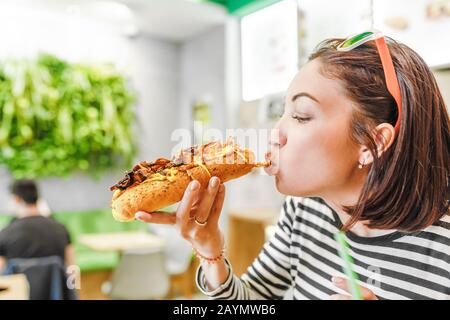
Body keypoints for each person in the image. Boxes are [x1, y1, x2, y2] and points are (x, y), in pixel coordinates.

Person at [135, 31, 450, 299]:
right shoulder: (303, 210)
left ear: (372, 143)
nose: (276, 134)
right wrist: (209, 250)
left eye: (301, 116)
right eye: (284, 112)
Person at [0, 180, 74, 272]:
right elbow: (72, 267)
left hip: (21, 286)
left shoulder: (6, 233)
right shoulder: (61, 228)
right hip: (55, 286)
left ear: (17, 199)